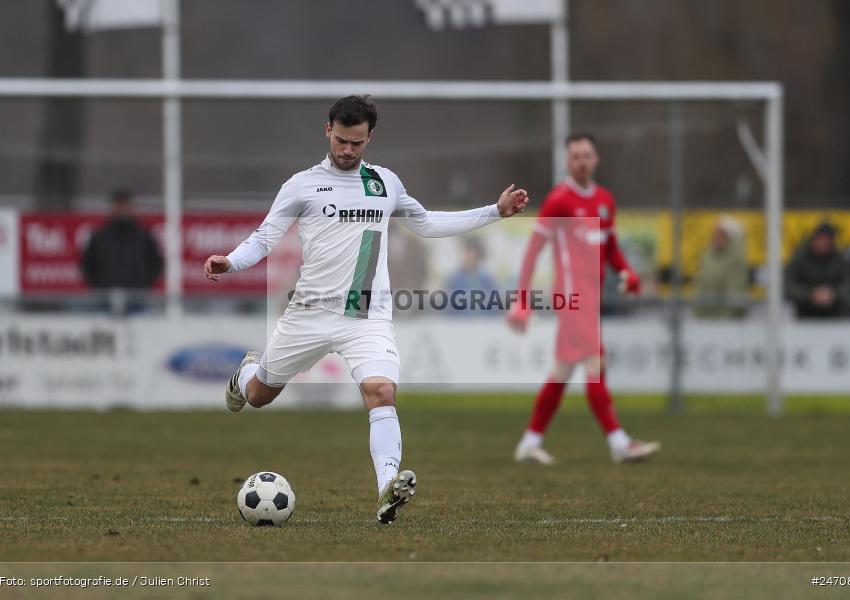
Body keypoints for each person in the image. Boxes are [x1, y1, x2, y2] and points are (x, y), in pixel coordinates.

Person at [203, 95, 529, 525]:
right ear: (327, 131)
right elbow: (264, 238)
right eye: (341, 140)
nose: (347, 150)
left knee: (382, 393)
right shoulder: (301, 185)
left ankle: (386, 490)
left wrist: (495, 212)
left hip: (366, 318)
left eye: (356, 143)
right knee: (261, 396)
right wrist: (231, 260)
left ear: (369, 137)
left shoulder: (384, 183)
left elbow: (427, 223)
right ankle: (245, 374)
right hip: (309, 313)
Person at [506, 133, 659, 465]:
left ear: (596, 158)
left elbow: (612, 248)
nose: (581, 161)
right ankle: (619, 443)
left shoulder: (605, 199)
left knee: (562, 371)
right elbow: (533, 252)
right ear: (566, 161)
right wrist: (522, 299)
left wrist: (628, 273)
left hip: (592, 298)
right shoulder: (559, 200)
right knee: (596, 364)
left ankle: (530, 442)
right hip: (571, 297)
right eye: (575, 156)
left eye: (586, 155)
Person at [80, 189, 164, 312]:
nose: (121, 209)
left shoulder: (144, 236)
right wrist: (99, 287)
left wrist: (142, 285)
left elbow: (156, 264)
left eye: (125, 205)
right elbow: (87, 265)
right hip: (104, 302)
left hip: (137, 301)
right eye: (118, 205)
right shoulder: (99, 236)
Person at [785, 222, 849, 319]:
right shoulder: (799, 257)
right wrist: (810, 294)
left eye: (827, 240)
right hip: (805, 315)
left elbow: (849, 283)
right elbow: (789, 285)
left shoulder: (840, 257)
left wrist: (833, 294)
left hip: (835, 316)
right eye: (821, 239)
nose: (823, 243)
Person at [693, 215, 749, 318]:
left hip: (725, 323)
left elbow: (733, 295)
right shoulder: (707, 256)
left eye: (722, 234)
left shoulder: (735, 262)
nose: (717, 237)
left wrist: (722, 323)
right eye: (716, 233)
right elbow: (700, 288)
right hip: (704, 320)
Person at [444, 236, 500, 317]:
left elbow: (496, 307)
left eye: (472, 253)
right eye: (467, 252)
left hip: (485, 325)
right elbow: (447, 309)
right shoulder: (454, 280)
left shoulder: (487, 280)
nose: (469, 257)